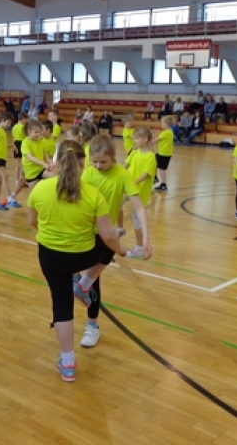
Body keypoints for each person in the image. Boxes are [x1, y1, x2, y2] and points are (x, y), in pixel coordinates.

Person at [27, 140, 126, 382]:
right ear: (83, 163)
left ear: (57, 162)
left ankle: (68, 363)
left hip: (51, 257)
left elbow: (32, 222)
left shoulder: (39, 189)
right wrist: (122, 251)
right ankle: (84, 283)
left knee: (61, 306)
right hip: (81, 256)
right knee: (110, 243)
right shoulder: (93, 194)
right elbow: (108, 235)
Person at [78, 135, 149, 348]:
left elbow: (139, 207)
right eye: (95, 161)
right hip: (83, 231)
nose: (98, 166)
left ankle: (92, 325)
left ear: (113, 156)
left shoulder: (122, 175)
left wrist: (146, 238)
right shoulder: (88, 174)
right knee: (89, 275)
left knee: (95, 276)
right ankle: (80, 286)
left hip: (104, 233)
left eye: (103, 162)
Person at [124, 127, 156, 255]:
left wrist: (132, 184)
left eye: (137, 138)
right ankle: (119, 228)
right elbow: (125, 166)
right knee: (115, 204)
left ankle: (140, 247)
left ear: (145, 139)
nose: (135, 140)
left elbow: (145, 175)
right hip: (128, 188)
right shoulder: (134, 152)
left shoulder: (151, 156)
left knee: (136, 218)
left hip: (139, 191)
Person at [7, 119, 52, 207]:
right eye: (36, 132)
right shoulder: (25, 143)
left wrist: (52, 163)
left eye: (39, 132)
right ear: (29, 131)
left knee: (54, 176)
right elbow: (30, 157)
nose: (38, 134)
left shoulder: (41, 142)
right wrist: (43, 163)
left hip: (40, 169)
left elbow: (46, 157)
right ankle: (12, 197)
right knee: (33, 196)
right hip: (30, 172)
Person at [153, 115, 174, 191]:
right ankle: (155, 178)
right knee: (153, 162)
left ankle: (163, 184)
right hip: (163, 153)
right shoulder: (169, 131)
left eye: (162, 123)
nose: (161, 124)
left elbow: (156, 140)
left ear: (166, 124)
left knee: (161, 169)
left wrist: (147, 142)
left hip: (164, 154)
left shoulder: (166, 133)